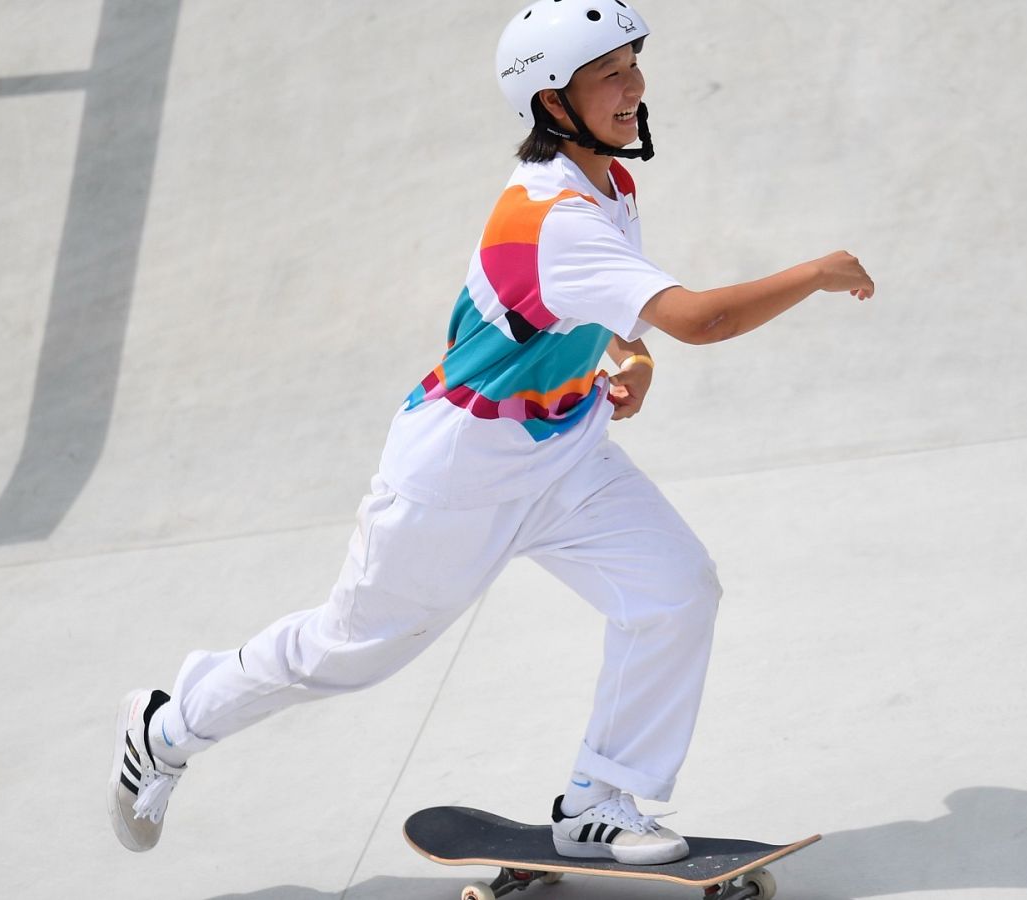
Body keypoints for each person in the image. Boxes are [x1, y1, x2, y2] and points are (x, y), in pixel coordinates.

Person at [109, 0, 875, 866]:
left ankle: (599, 801)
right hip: (460, 472)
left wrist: (632, 363)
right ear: (553, 104)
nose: (636, 86)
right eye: (610, 75)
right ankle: (167, 726)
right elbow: (702, 322)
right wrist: (814, 272)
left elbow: (613, 318)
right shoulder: (551, 219)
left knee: (674, 591)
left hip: (564, 449)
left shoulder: (608, 184)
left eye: (633, 62)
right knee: (347, 652)